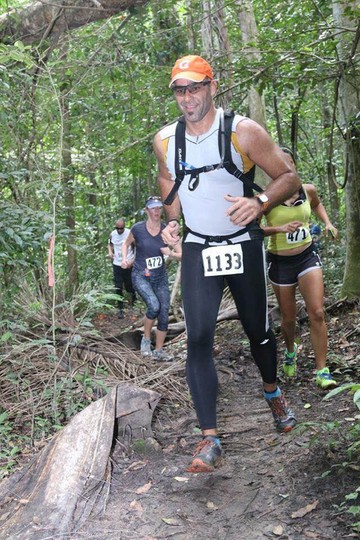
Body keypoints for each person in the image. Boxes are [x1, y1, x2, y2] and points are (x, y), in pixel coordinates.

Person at [153, 54, 301, 473]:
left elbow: (288, 176)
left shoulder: (243, 131)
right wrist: (171, 219)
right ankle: (209, 439)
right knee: (198, 337)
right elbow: (167, 179)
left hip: (242, 244)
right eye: (180, 91)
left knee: (257, 330)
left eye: (195, 88)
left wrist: (259, 202)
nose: (188, 98)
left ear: (211, 87)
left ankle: (272, 393)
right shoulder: (166, 139)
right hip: (200, 247)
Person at [261, 147, 338, 389]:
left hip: (307, 255)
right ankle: (291, 351)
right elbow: (253, 229)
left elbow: (317, 204)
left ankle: (322, 370)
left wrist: (327, 223)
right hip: (280, 262)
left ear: (294, 165)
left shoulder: (308, 189)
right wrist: (279, 229)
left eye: (289, 162)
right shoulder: (267, 198)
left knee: (316, 312)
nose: (285, 166)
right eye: (280, 163)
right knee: (288, 319)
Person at [121, 196, 172, 361]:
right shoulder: (137, 229)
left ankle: (158, 351)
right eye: (153, 208)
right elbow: (125, 244)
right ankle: (146, 339)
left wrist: (172, 252)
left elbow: (176, 249)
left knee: (164, 312)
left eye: (159, 208)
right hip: (140, 275)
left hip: (160, 277)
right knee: (153, 305)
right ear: (147, 211)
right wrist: (124, 258)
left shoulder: (165, 230)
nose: (156, 211)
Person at [108, 219, 136, 319]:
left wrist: (132, 260)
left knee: (129, 286)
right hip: (117, 263)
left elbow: (135, 247)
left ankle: (134, 301)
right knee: (118, 286)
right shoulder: (112, 234)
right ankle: (120, 309)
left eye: (121, 228)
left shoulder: (130, 234)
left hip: (128, 263)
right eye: (117, 228)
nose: (119, 230)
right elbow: (110, 244)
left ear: (124, 227)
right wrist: (110, 252)